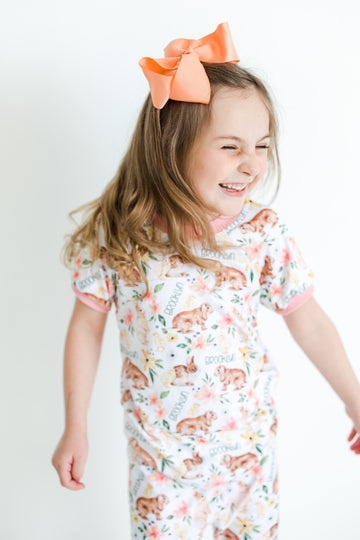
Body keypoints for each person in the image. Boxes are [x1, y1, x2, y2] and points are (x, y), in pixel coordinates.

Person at [51, 22, 360, 540]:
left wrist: (354, 397)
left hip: (247, 458)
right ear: (174, 147)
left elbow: (307, 319)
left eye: (261, 146)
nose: (252, 165)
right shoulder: (122, 235)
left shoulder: (261, 233)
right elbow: (86, 328)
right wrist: (75, 425)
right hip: (161, 464)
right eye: (231, 147)